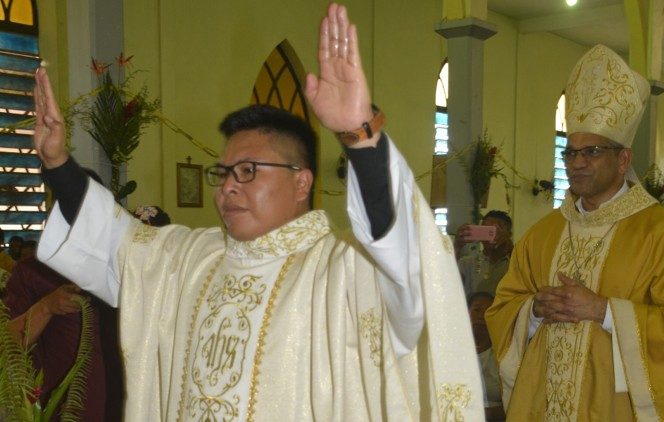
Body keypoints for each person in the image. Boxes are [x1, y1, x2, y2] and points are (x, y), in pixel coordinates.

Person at [33, 4, 482, 421]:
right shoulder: (188, 260)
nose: (228, 185)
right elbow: (112, 240)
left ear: (301, 180)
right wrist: (57, 164)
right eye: (223, 171)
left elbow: (406, 254)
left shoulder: (343, 271)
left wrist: (358, 136)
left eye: (248, 170)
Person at [485, 44, 664, 420]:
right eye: (570, 153)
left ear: (623, 159)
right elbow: (501, 309)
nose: (577, 163)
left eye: (591, 152)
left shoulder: (661, 234)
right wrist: (533, 310)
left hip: (613, 407)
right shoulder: (542, 234)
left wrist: (604, 311)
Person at [2, 258, 108, 421]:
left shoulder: (128, 267)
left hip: (128, 397)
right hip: (62, 405)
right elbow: (8, 343)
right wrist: (47, 307)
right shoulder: (35, 271)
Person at [455, 211, 513, 296]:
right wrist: (457, 246)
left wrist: (511, 248)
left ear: (509, 235)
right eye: (487, 230)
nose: (493, 234)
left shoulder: (515, 263)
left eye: (498, 230)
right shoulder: (467, 263)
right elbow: (446, 281)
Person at [468, 292, 505, 421]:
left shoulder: (503, 355)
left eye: (488, 311)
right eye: (476, 310)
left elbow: (515, 402)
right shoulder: (453, 354)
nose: (481, 317)